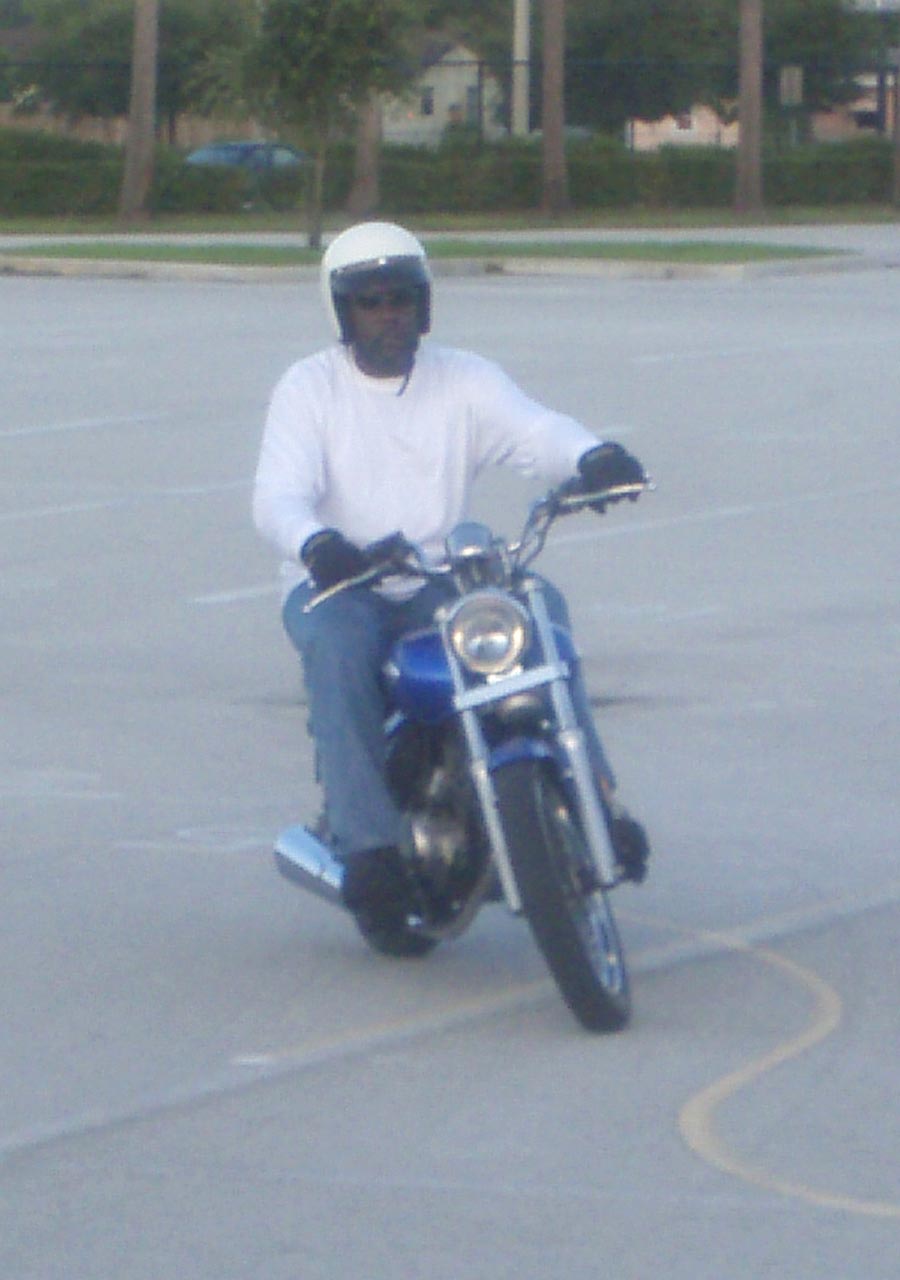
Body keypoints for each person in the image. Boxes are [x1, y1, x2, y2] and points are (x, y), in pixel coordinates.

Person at [253, 220, 649, 935]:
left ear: (423, 302)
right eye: (370, 301)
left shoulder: (462, 378)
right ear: (343, 311)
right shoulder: (309, 387)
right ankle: (369, 848)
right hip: (338, 582)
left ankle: (598, 802)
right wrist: (317, 543)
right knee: (339, 649)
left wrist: (591, 456)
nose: (388, 314)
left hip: (437, 576)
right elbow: (277, 495)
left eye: (401, 298)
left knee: (539, 611)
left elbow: (534, 431)